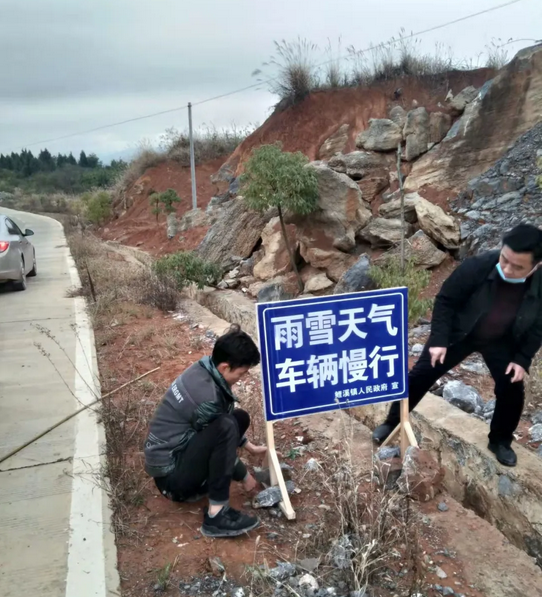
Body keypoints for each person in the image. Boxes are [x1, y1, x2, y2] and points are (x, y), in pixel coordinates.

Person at [373, 224, 542, 467]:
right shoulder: (479, 266)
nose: (506, 268)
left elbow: (538, 325)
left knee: (512, 389)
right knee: (421, 375)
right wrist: (439, 340)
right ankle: (392, 422)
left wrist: (522, 358)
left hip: (502, 339)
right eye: (504, 259)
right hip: (459, 332)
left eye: (517, 267)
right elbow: (446, 301)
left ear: (536, 265)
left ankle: (500, 441)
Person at [144, 324, 267, 537]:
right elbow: (220, 433)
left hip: (179, 456)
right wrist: (244, 476)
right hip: (172, 480)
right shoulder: (206, 399)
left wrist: (251, 448)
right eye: (242, 373)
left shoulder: (203, 368)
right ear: (225, 368)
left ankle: (207, 484)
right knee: (227, 426)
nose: (243, 378)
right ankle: (216, 515)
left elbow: (216, 427)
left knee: (239, 418)